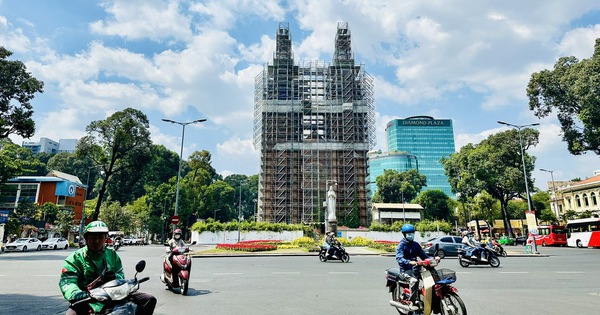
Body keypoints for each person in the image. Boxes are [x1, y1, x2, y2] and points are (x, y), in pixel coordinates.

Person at [59, 221, 156, 315]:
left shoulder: (112, 254)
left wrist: (114, 279)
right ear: (86, 238)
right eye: (93, 237)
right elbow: (68, 282)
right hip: (87, 298)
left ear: (105, 238)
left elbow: (120, 275)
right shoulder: (74, 258)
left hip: (112, 295)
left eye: (100, 237)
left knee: (149, 299)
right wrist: (79, 294)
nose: (96, 241)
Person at [395, 223, 437, 311]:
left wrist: (433, 259)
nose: (411, 235)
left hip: (417, 269)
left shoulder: (415, 245)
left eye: (412, 233)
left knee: (433, 277)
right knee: (414, 281)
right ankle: (412, 302)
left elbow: (424, 256)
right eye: (409, 233)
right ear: (404, 234)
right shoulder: (401, 246)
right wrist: (409, 262)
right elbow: (399, 258)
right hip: (406, 271)